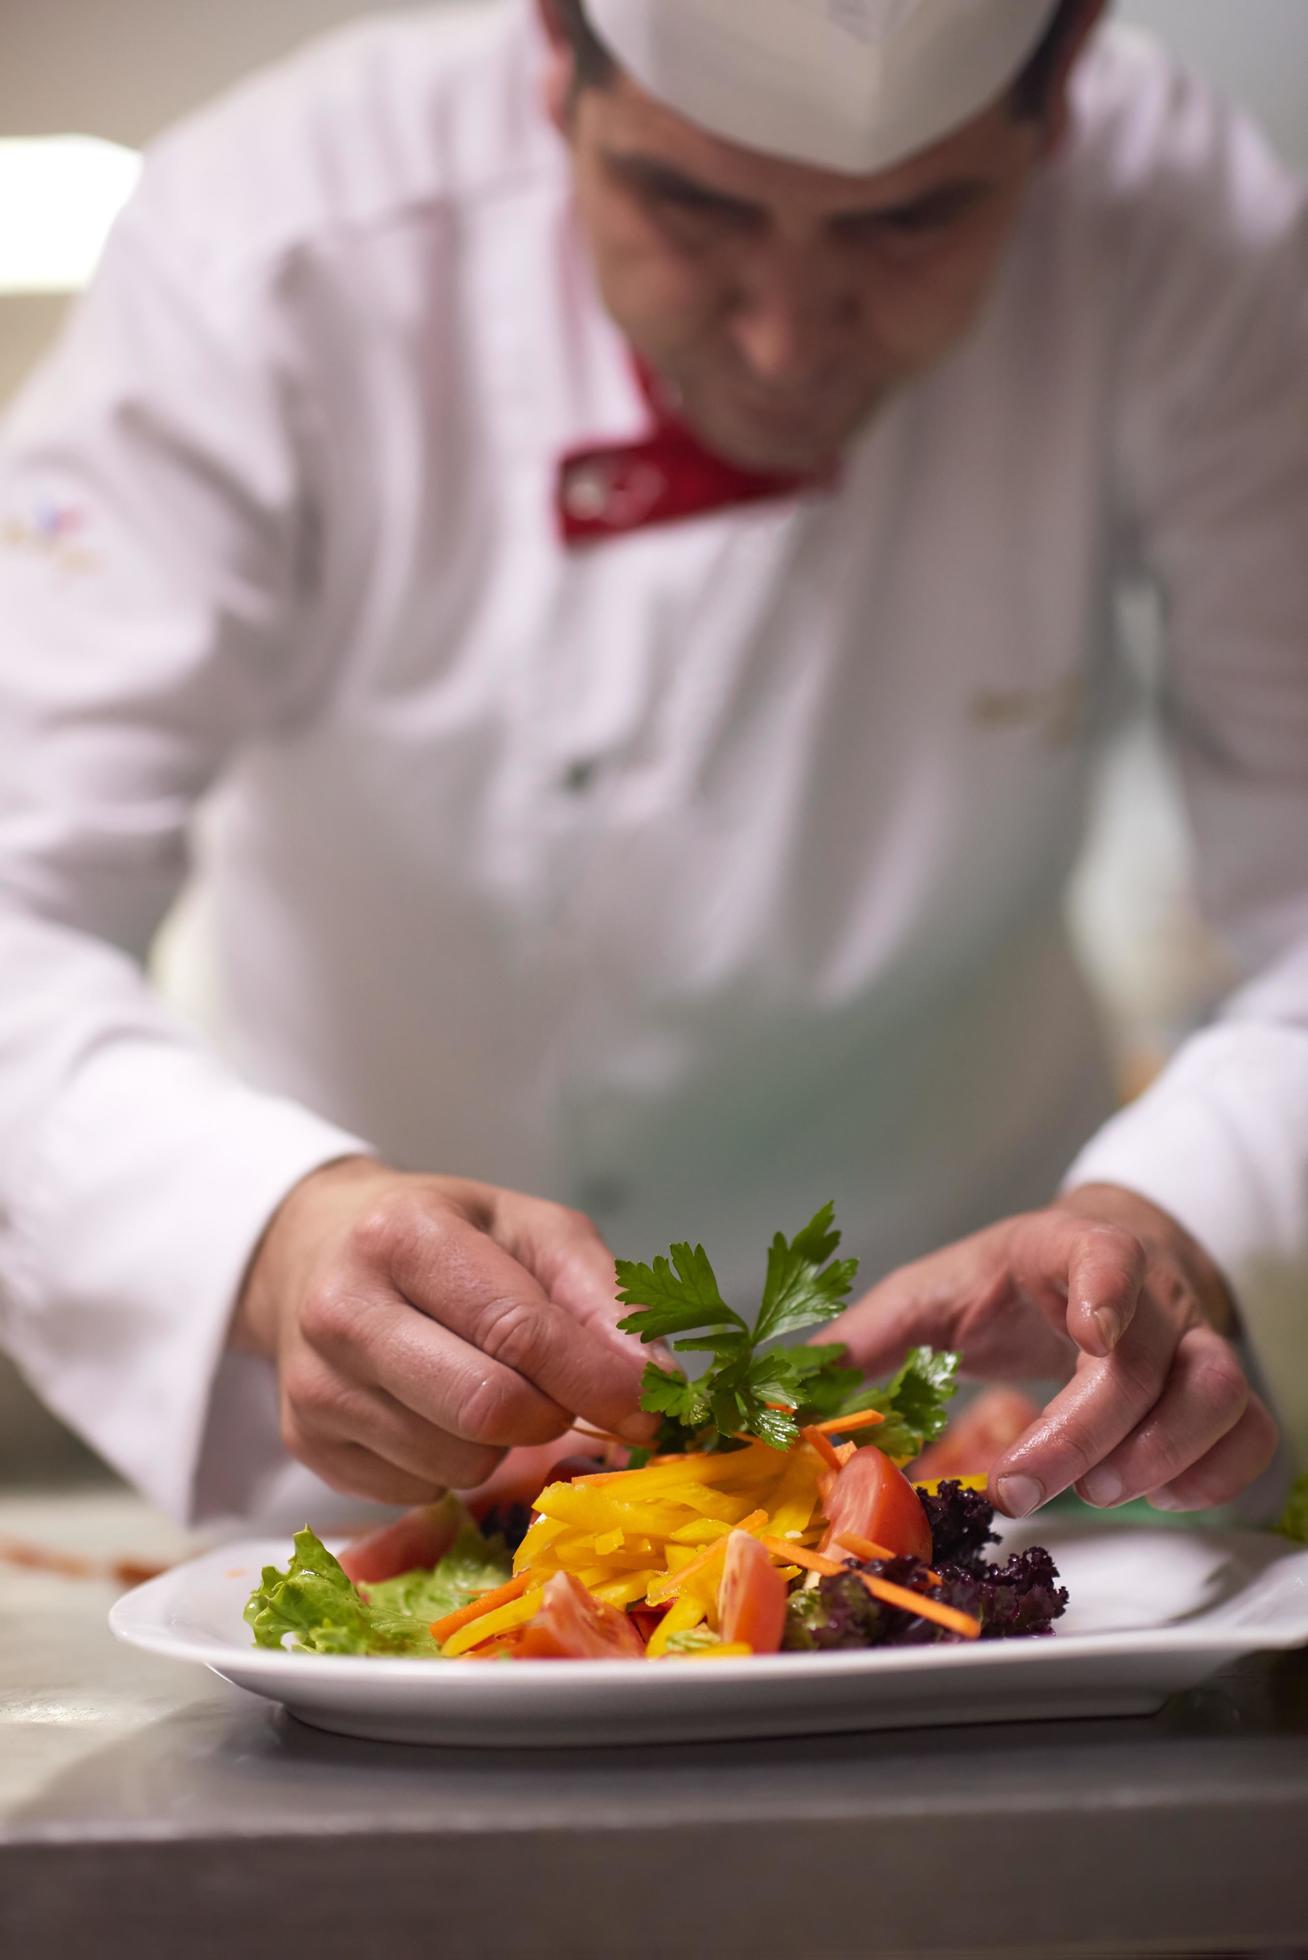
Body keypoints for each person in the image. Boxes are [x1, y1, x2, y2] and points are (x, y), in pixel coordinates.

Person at [0, 0, 1301, 1534]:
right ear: (555, 58)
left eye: (916, 219)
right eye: (691, 201)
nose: (784, 337)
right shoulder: (269, 244)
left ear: (1064, 81)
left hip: (1001, 1453)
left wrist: (1172, 1216)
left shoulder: (1193, 234)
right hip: (402, 1454)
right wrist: (278, 1238)